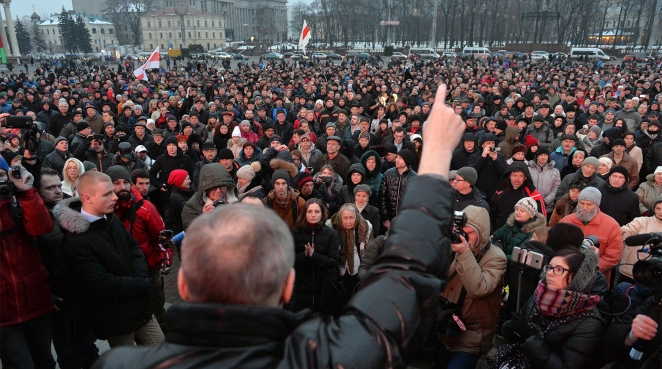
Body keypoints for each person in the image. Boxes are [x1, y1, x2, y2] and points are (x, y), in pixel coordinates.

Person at [77, 82, 466, 369]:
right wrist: (434, 157)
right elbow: (406, 273)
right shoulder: (329, 358)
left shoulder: (118, 366)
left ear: (182, 285)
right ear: (287, 286)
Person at [55, 171, 164, 347]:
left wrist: (142, 276)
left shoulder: (110, 219)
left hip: (140, 308)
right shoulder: (75, 241)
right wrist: (140, 284)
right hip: (115, 318)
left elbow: (133, 248)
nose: (115, 198)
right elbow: (101, 283)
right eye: (107, 194)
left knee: (161, 353)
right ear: (88, 198)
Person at [491, 248, 604, 369]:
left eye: (559, 269)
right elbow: (519, 328)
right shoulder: (539, 296)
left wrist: (529, 337)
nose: (550, 273)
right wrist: (509, 329)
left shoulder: (589, 323)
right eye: (549, 267)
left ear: (577, 277)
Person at [0, 156, 56, 369]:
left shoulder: (19, 203)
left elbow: (42, 227)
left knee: (45, 361)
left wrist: (26, 191)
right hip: (3, 315)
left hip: (35, 301)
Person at [436, 205, 507, 368]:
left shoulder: (496, 257)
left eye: (470, 232)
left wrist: (464, 253)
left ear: (482, 234)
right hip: (448, 325)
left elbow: (478, 288)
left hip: (473, 333)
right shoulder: (452, 246)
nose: (462, 236)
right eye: (460, 231)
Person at [107, 166, 169, 332]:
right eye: (116, 183)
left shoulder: (146, 208)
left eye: (126, 182)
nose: (122, 187)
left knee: (158, 313)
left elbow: (162, 237)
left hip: (148, 271)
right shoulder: (105, 211)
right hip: (121, 276)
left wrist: (165, 260)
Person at [559, 187, 623, 281]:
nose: (584, 207)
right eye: (581, 203)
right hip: (564, 276)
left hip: (594, 280)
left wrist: (588, 268)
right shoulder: (565, 221)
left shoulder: (612, 225)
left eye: (589, 204)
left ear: (597, 205)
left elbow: (613, 258)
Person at [290, 199, 340, 313]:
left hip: (323, 287)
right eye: (310, 211)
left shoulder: (331, 234)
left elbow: (333, 262)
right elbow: (290, 260)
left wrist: (314, 256)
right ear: (305, 213)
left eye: (317, 211)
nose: (313, 215)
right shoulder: (296, 231)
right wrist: (305, 255)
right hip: (301, 286)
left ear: (322, 213)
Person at [327, 203, 374, 296]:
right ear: (340, 218)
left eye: (351, 218)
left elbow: (370, 251)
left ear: (356, 217)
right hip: (338, 267)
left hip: (358, 267)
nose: (348, 221)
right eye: (345, 218)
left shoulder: (365, 227)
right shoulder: (331, 227)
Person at [619, 196, 662, 284]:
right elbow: (627, 231)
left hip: (653, 276)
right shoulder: (642, 221)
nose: (661, 212)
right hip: (629, 271)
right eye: (658, 208)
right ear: (653, 209)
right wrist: (619, 231)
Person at [490, 162, 545, 230]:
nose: (517, 179)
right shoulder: (500, 191)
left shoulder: (534, 195)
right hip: (499, 232)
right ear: (509, 176)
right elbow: (492, 213)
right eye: (514, 175)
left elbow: (541, 220)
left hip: (522, 235)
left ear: (525, 177)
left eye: (520, 176)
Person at [181, 163, 237, 230]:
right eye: (213, 187)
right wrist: (204, 219)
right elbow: (192, 234)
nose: (218, 191)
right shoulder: (192, 206)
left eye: (222, 186)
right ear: (205, 188)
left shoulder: (237, 201)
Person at [491, 197, 547, 262]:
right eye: (517, 209)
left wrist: (498, 258)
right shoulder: (510, 224)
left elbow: (520, 255)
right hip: (499, 258)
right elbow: (494, 237)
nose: (518, 212)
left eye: (522, 211)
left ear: (531, 215)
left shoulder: (533, 233)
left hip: (512, 265)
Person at [379, 149, 417, 229]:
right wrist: (385, 219)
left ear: (407, 160)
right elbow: (382, 197)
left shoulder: (415, 178)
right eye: (397, 157)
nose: (397, 160)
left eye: (400, 158)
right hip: (389, 220)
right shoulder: (388, 174)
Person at [467, 133, 508, 201]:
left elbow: (504, 173)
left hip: (495, 191)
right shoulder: (474, 156)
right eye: (488, 143)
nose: (491, 145)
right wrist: (483, 157)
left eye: (493, 143)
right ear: (482, 145)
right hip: (479, 192)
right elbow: (472, 172)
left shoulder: (500, 156)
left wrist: (495, 160)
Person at [528, 147, 561, 214]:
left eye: (545, 155)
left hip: (547, 207)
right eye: (541, 155)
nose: (543, 157)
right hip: (530, 206)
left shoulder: (555, 171)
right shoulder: (529, 170)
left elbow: (556, 188)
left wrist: (546, 201)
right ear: (537, 157)